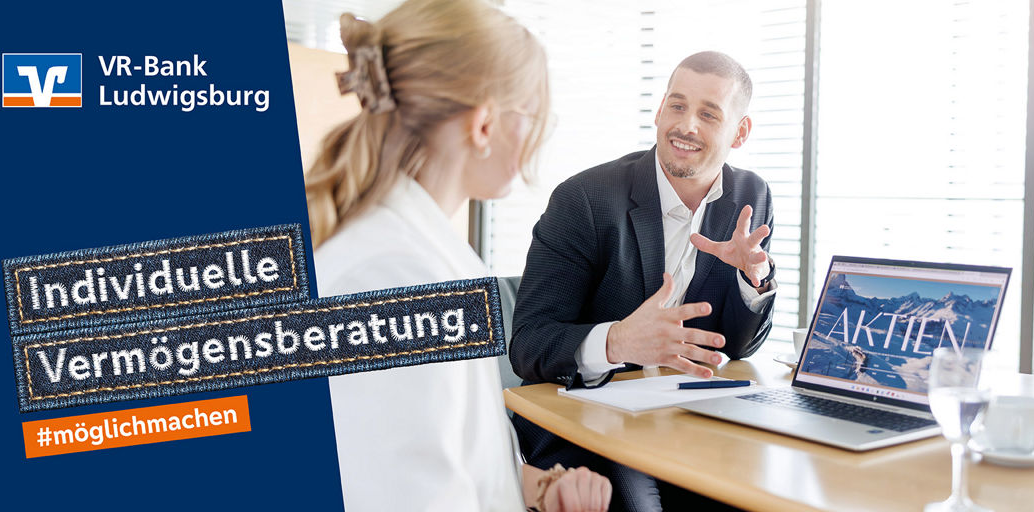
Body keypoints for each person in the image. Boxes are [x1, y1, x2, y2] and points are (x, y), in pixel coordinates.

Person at [305, 2, 610, 511]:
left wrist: (534, 487)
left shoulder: (422, 255)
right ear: (485, 124)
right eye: (533, 118)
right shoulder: (398, 277)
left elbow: (433, 448)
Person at [508, 51, 776, 510]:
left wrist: (753, 280)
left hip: (689, 416)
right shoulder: (585, 199)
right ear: (658, 111)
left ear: (741, 132)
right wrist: (616, 342)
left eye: (709, 114)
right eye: (677, 105)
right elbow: (529, 344)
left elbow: (734, 346)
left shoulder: (750, 196)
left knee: (755, 495)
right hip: (587, 419)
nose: (686, 125)